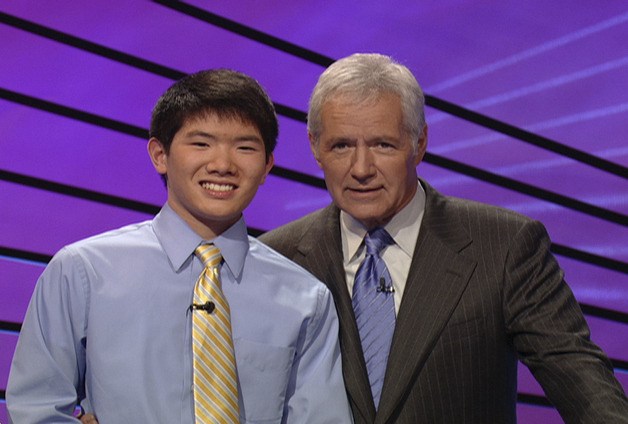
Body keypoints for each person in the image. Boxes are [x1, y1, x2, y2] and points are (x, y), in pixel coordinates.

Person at [259, 53, 628, 423]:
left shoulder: (505, 247)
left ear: (419, 144)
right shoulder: (278, 258)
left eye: (383, 145)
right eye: (341, 146)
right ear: (314, 146)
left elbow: (581, 382)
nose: (361, 169)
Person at [7, 69, 352, 423]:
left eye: (245, 147)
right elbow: (37, 409)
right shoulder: (83, 272)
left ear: (266, 166)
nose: (222, 165)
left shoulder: (306, 297)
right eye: (201, 143)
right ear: (160, 154)